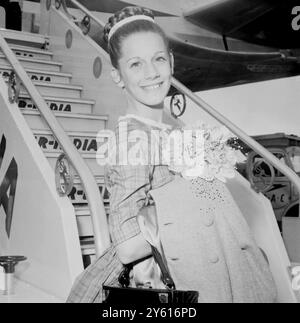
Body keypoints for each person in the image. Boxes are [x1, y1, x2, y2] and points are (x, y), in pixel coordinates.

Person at [67, 6, 277, 303]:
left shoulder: (169, 131)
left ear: (172, 62)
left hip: (195, 267)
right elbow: (127, 247)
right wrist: (195, 203)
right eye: (136, 64)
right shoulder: (131, 140)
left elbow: (210, 210)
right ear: (117, 75)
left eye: (158, 59)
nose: (151, 73)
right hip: (156, 283)